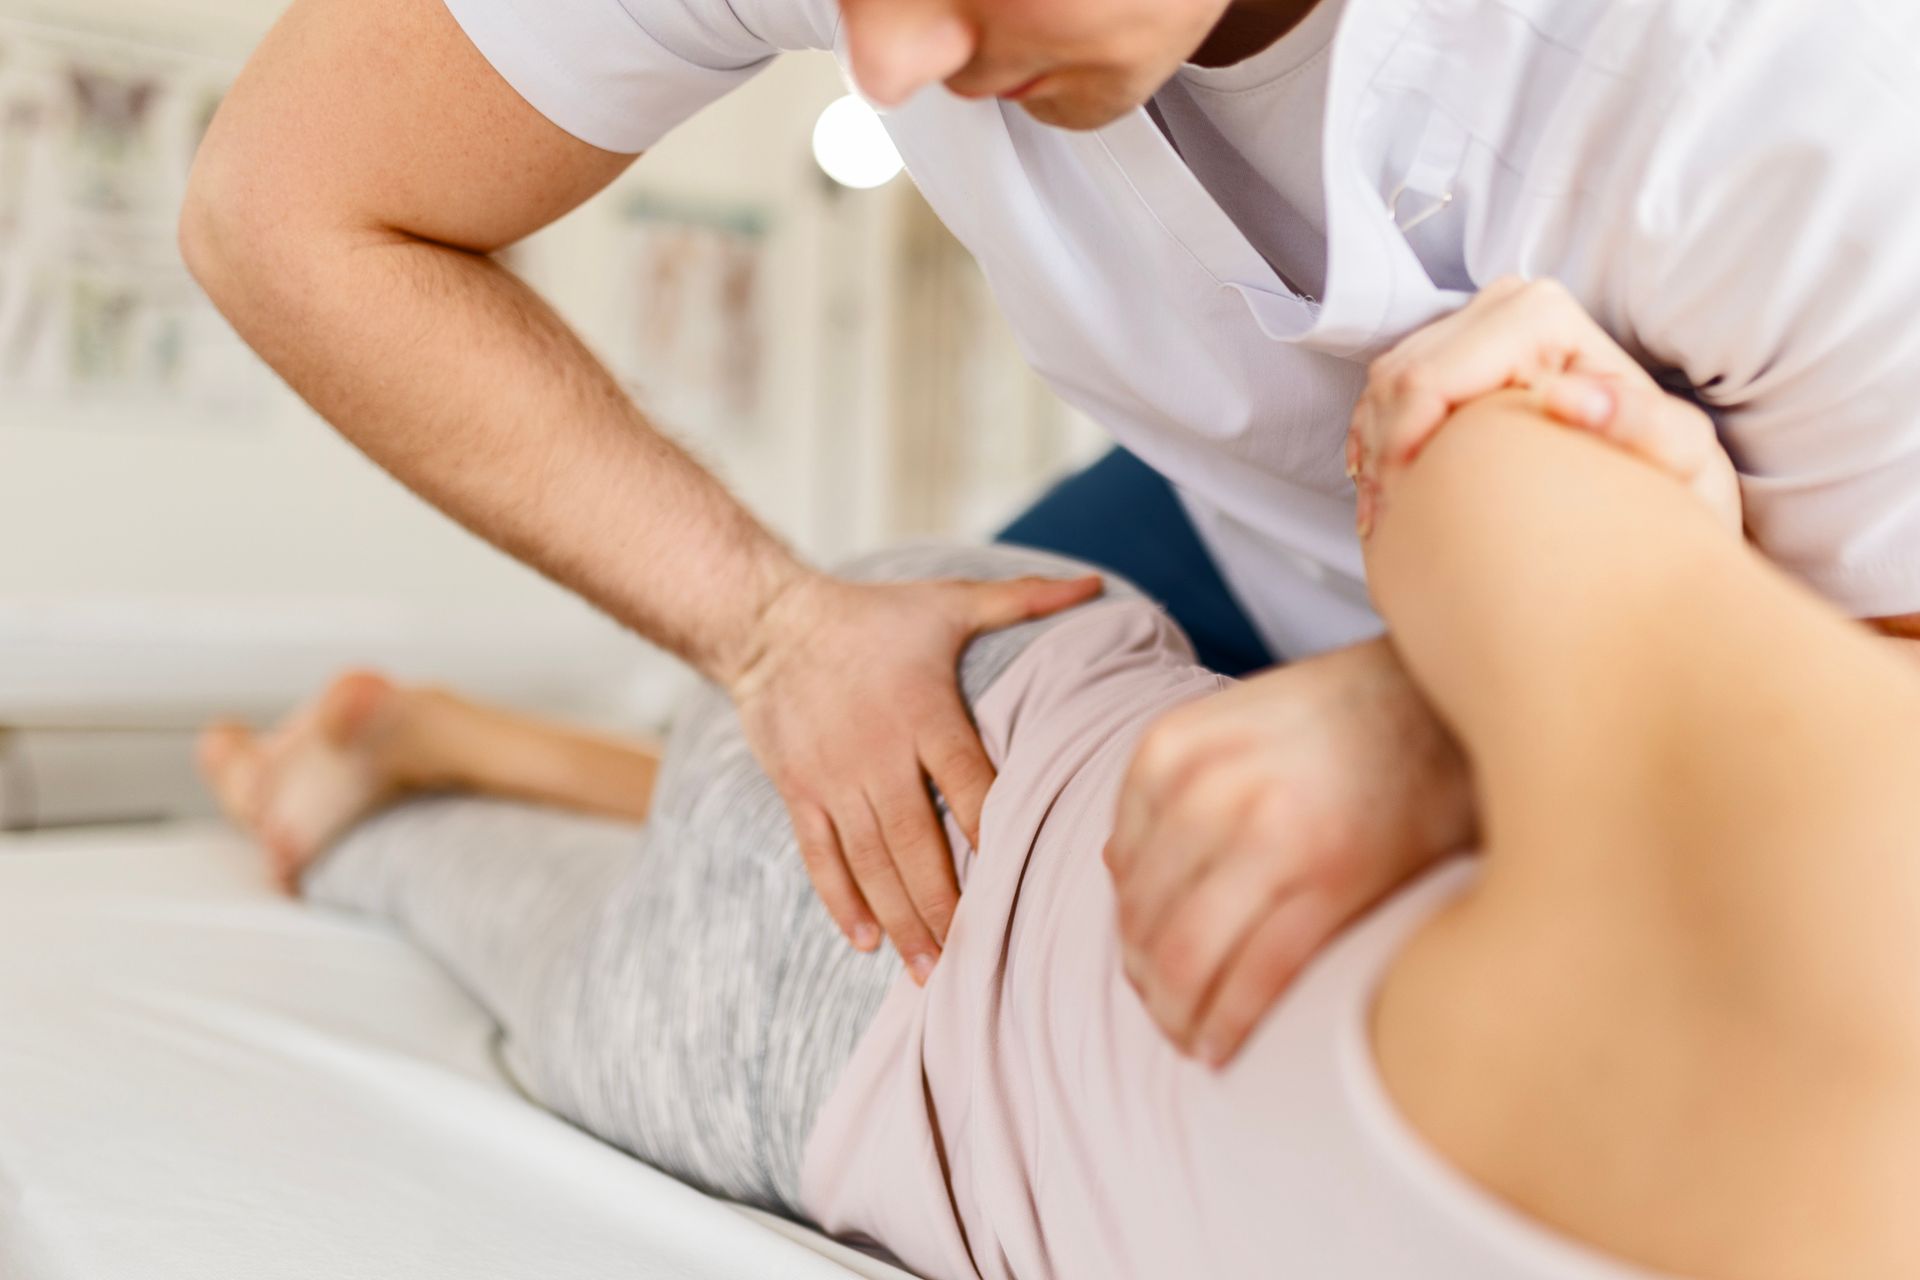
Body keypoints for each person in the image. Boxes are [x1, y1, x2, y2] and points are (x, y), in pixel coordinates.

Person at [179, 0, 1920, 1060]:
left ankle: (422, 756)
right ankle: (438, 748)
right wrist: (768, 626)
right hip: (1212, 505)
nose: (881, 63)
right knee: (883, 838)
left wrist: (1446, 726)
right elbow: (287, 207)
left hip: (1705, 627)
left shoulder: (1793, 90)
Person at [199, 324, 1920, 1278]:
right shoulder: (1835, 951)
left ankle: (427, 739)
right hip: (914, 925)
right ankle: (361, 787)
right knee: (482, 904)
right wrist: (1411, 710)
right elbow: (1473, 417)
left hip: (1015, 767)